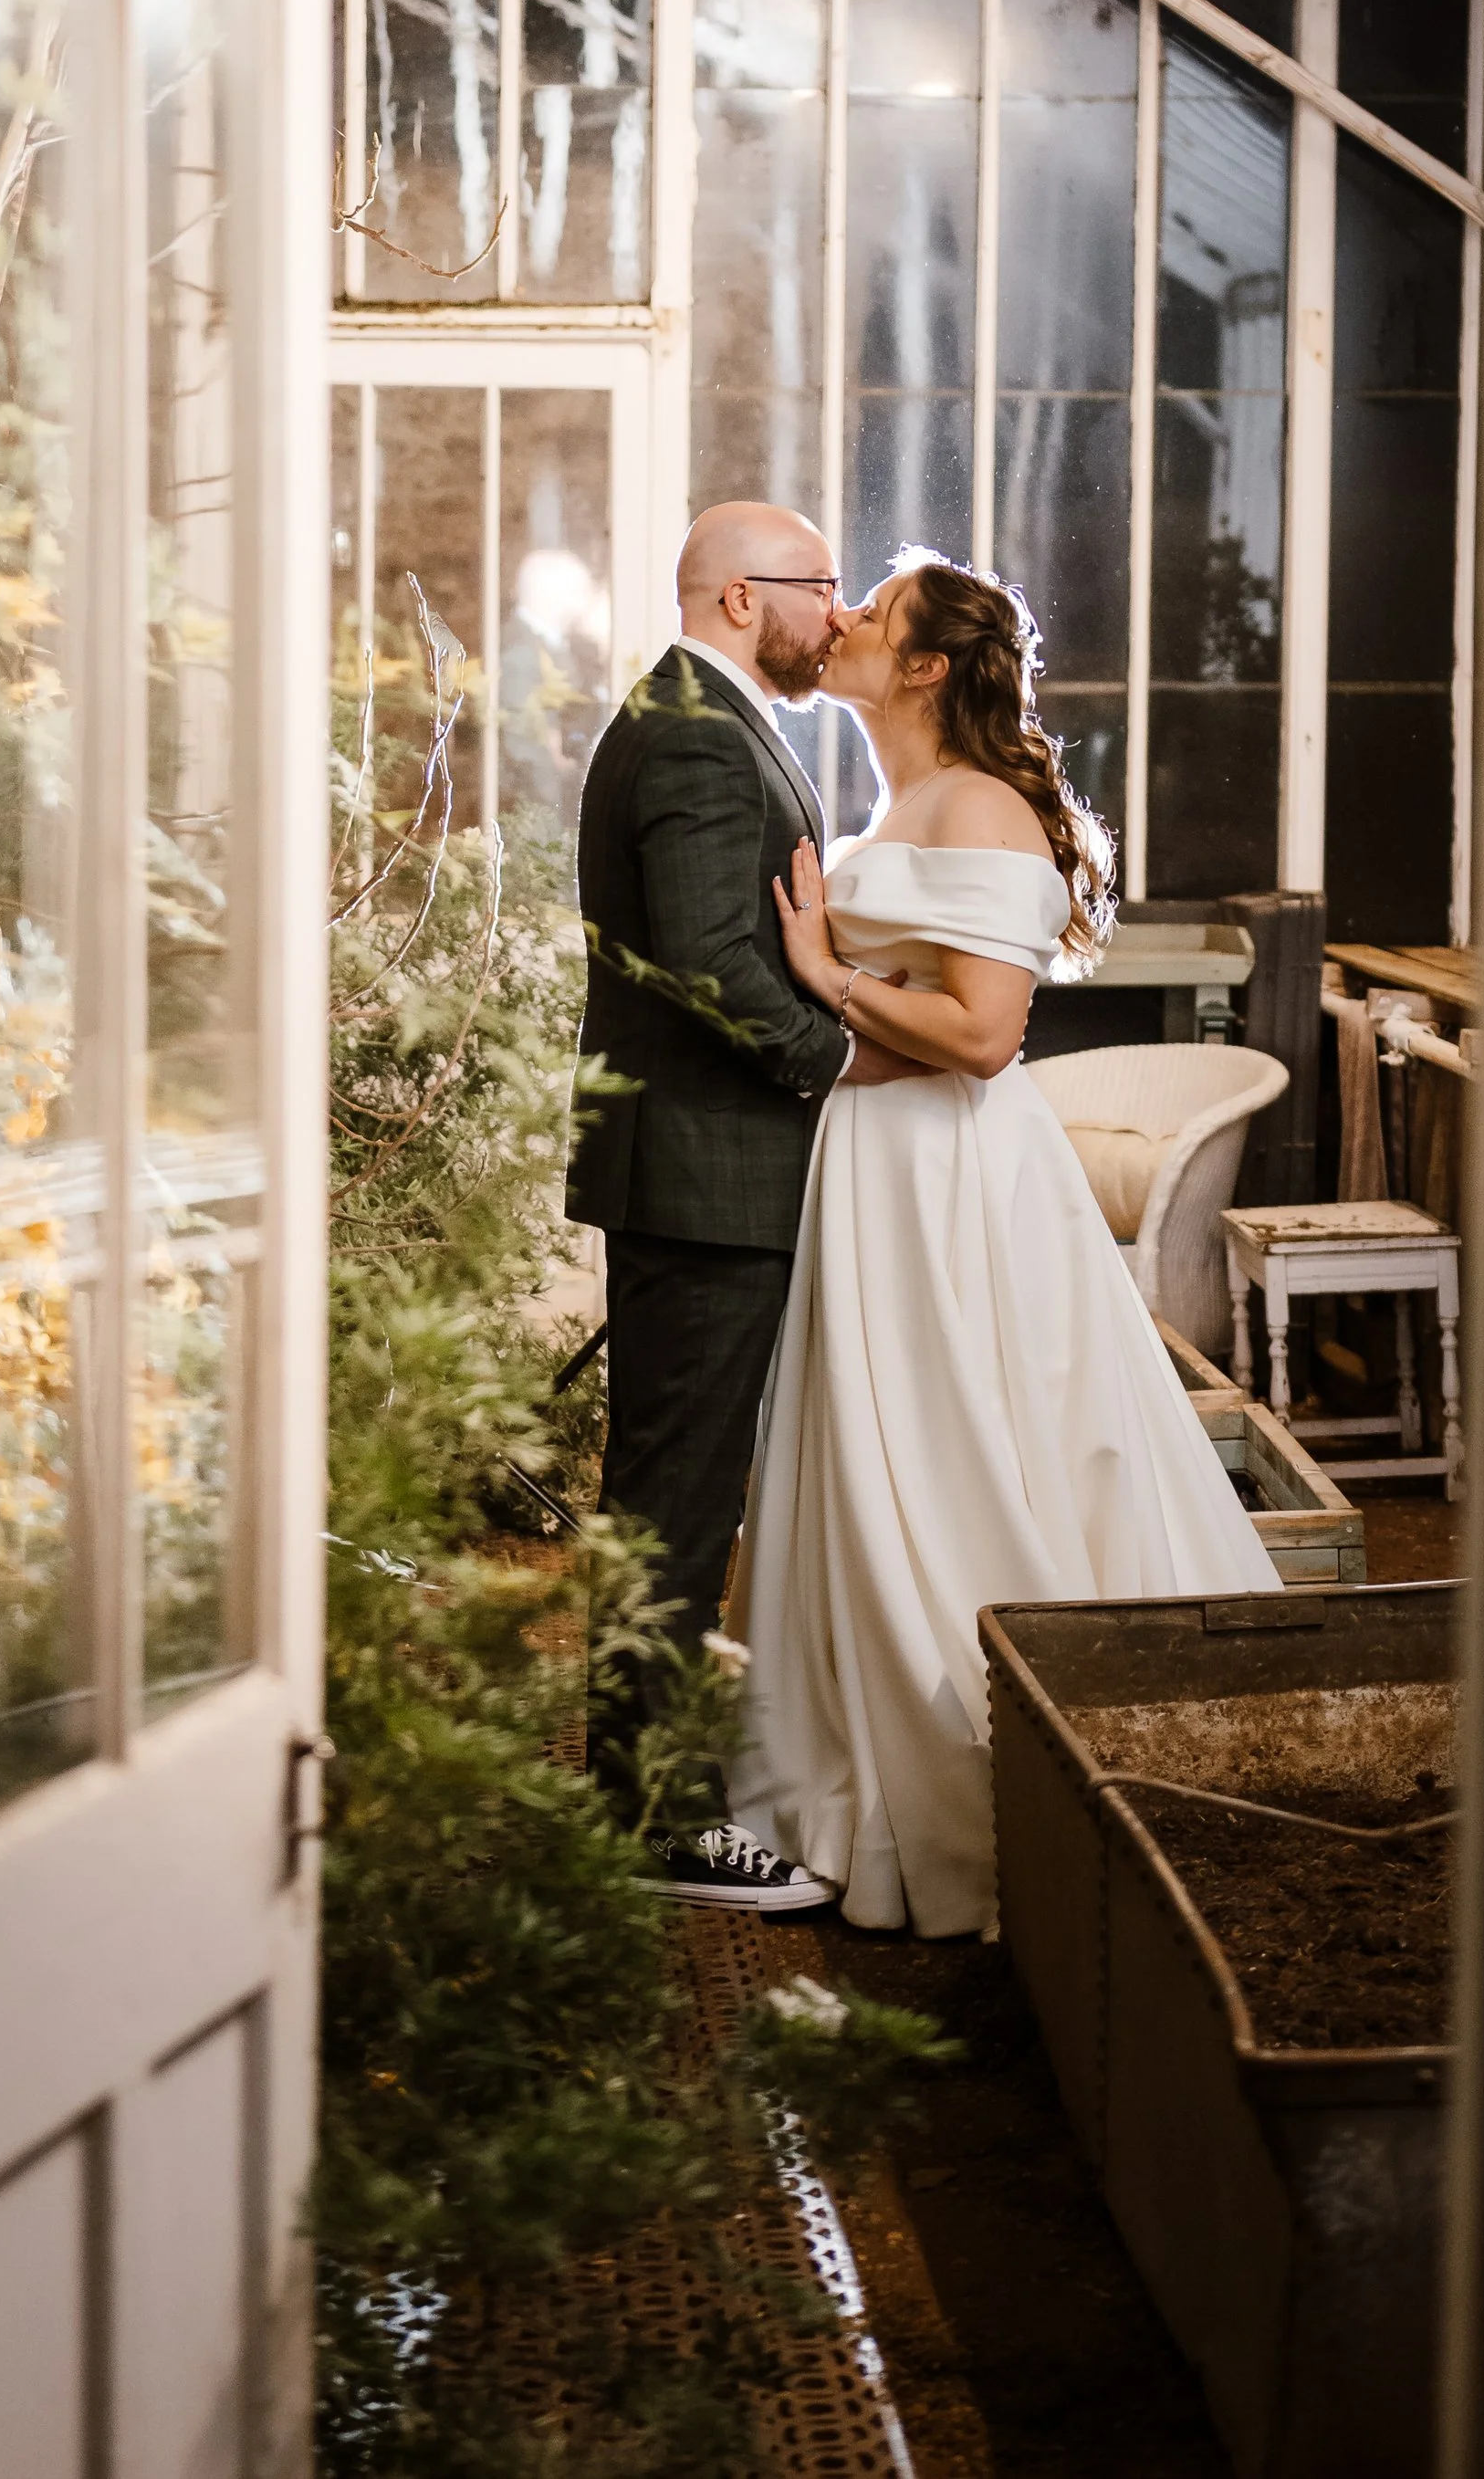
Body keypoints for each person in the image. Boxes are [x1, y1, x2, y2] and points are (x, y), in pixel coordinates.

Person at [730, 548, 1280, 1936]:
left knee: (965, 1442)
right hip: (869, 1166)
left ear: (922, 666)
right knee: (877, 1454)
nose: (842, 617)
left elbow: (983, 1036)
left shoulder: (977, 808)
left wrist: (827, 973)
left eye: (874, 612)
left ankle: (1001, 1779)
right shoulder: (900, 797)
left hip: (946, 1178)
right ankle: (865, 1746)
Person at [566, 502, 853, 1911]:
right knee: (676, 1499)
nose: (840, 611)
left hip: (705, 1167)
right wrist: (836, 1056)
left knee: (678, 1490)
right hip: (703, 1172)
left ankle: (641, 1772)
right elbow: (704, 961)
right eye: (823, 585)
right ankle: (658, 1819)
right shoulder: (691, 727)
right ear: (744, 595)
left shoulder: (706, 713)